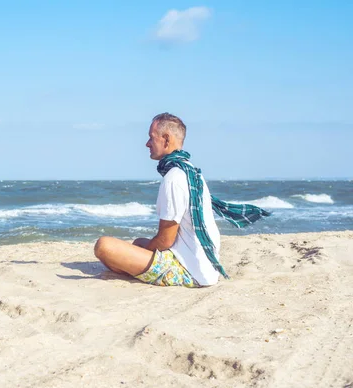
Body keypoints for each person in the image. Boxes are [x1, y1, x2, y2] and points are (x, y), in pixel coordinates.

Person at [94, 113, 269, 287]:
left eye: (151, 138)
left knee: (104, 246)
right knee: (138, 242)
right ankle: (135, 266)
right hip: (203, 267)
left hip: (187, 270)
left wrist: (140, 253)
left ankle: (136, 271)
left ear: (166, 139)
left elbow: (165, 241)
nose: (147, 144)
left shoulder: (174, 178)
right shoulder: (191, 171)